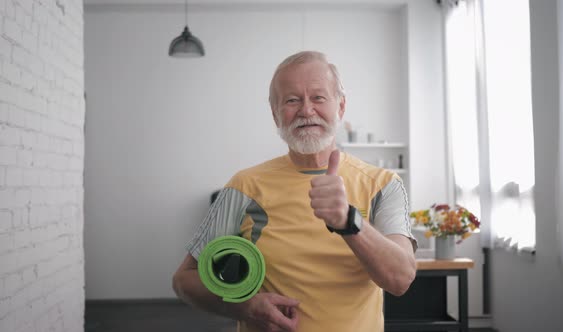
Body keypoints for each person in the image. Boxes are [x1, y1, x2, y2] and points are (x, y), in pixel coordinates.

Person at [173, 51, 417, 332]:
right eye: (291, 100)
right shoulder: (244, 186)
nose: (306, 110)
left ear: (341, 106)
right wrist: (244, 306)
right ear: (275, 114)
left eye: (318, 97)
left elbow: (400, 280)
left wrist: (350, 222)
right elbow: (185, 279)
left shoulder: (383, 184)